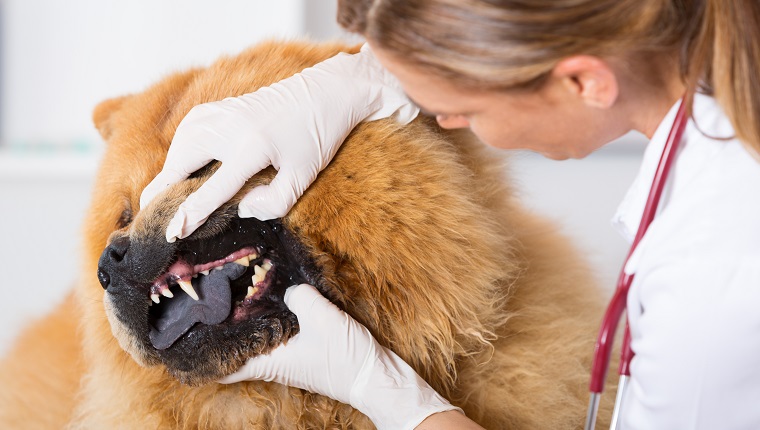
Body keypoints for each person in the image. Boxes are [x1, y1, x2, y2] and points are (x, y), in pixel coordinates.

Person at [140, 0, 760, 428]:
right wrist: (357, 77)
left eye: (462, 105)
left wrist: (393, 400)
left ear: (584, 82)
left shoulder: (709, 279)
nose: (450, 122)